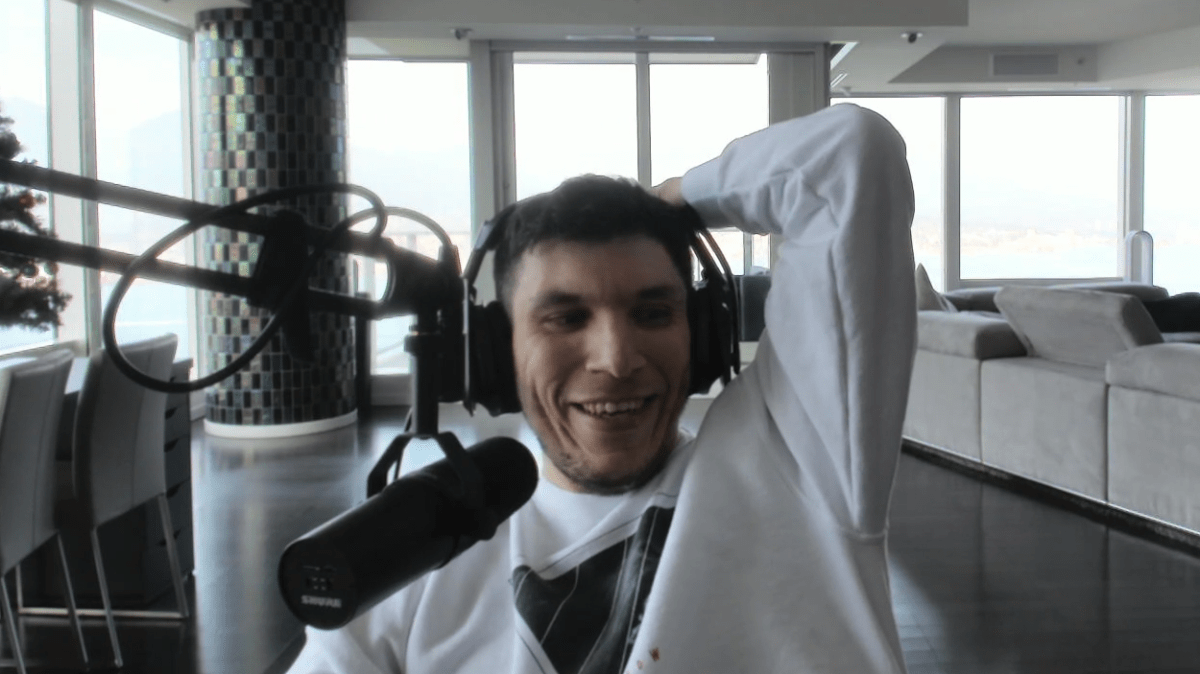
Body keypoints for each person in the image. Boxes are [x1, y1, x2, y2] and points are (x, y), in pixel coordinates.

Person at [286, 102, 917, 673]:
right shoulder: (419, 551)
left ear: (702, 333)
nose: (616, 360)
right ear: (498, 350)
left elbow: (850, 156)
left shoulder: (796, 469)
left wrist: (674, 200)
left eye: (653, 313)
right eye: (566, 318)